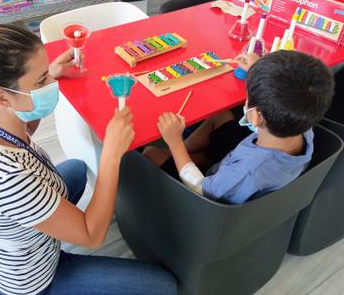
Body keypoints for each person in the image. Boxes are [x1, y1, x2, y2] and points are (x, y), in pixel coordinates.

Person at [0, 24, 176, 295]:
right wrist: (111, 152)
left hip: (14, 236)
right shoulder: (8, 178)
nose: (51, 83)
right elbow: (93, 236)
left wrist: (51, 76)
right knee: (165, 288)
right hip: (34, 282)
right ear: (2, 97)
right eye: (41, 81)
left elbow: (28, 128)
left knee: (74, 169)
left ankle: (57, 222)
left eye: (48, 73)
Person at [144, 51, 335, 204]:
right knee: (221, 116)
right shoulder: (301, 120)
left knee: (150, 153)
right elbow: (286, 97)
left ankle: (177, 151)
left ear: (255, 116)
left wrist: (175, 141)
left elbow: (202, 190)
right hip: (236, 160)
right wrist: (258, 71)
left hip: (211, 187)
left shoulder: (248, 173)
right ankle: (184, 154)